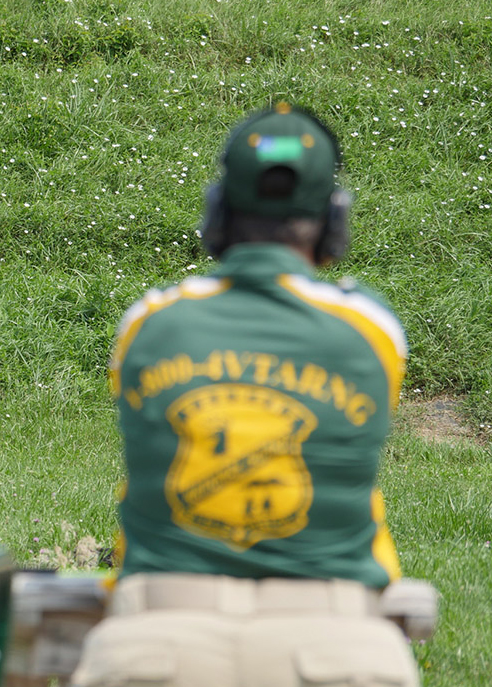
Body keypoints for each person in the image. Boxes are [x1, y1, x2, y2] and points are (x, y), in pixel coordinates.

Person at [71, 104, 421, 687]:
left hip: (157, 640)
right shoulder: (371, 328)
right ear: (335, 222)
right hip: (337, 645)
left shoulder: (150, 323)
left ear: (217, 215)